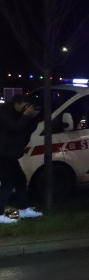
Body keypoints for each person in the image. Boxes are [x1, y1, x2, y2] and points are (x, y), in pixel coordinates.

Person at [0, 94, 44, 223]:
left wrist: (33, 117)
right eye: (25, 105)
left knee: (20, 180)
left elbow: (26, 130)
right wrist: (25, 115)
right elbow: (15, 128)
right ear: (18, 103)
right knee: (7, 183)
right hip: (3, 154)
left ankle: (24, 210)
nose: (27, 108)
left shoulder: (19, 114)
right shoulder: (4, 112)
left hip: (11, 154)